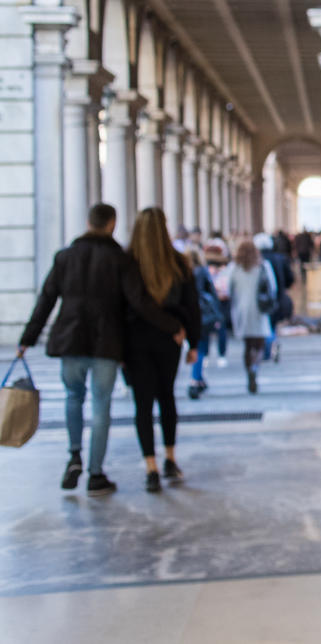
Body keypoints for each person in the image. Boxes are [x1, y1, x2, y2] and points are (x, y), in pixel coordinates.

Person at [17, 203, 184, 496]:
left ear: (88, 222)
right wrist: (171, 326)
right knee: (100, 405)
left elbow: (46, 300)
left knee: (73, 397)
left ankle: (74, 455)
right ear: (112, 224)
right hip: (106, 343)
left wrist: (27, 338)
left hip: (70, 341)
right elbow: (138, 302)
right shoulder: (119, 260)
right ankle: (96, 474)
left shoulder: (65, 257)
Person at [125, 207, 201, 493]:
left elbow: (125, 307)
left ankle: (151, 466)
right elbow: (192, 307)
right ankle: (170, 457)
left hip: (136, 342)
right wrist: (194, 342)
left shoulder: (130, 263)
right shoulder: (179, 263)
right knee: (166, 397)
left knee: (142, 405)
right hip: (171, 340)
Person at [229, 240, 276, 394]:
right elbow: (272, 287)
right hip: (259, 310)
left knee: (248, 345)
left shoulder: (235, 268)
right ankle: (255, 367)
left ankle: (249, 369)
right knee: (259, 344)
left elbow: (229, 289)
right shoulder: (262, 266)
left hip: (242, 310)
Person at [187, 247, 223, 399]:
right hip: (202, 315)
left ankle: (199, 379)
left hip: (189, 314)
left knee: (196, 346)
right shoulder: (202, 271)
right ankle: (195, 380)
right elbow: (210, 294)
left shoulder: (185, 273)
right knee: (201, 348)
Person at [255, 232, 296, 362]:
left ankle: (268, 350)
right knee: (272, 324)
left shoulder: (257, 261)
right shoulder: (280, 258)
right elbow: (290, 277)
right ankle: (272, 343)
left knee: (265, 324)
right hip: (278, 297)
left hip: (262, 298)